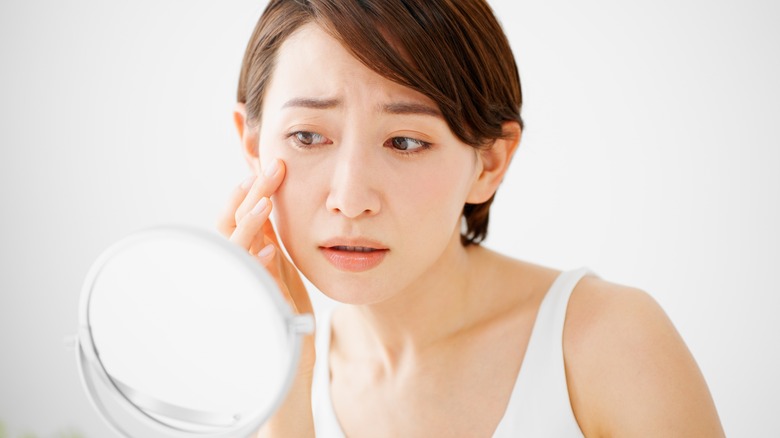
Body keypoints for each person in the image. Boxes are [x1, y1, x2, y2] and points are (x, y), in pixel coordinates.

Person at [217, 0, 725, 436]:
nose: (350, 199)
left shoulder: (609, 343)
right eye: (308, 137)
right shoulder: (256, 374)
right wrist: (285, 397)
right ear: (252, 144)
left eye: (406, 141)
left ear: (490, 162)